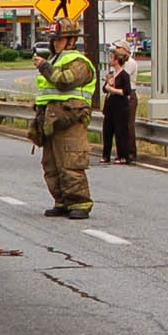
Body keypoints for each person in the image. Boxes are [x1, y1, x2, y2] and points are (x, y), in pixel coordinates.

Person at [29, 17, 97, 219]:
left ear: (71, 40)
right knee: (51, 164)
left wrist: (44, 67)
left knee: (70, 161)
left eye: (59, 39)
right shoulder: (54, 59)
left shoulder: (79, 62)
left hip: (71, 119)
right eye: (53, 39)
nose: (54, 42)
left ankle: (80, 203)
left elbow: (64, 82)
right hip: (52, 121)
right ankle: (61, 201)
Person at [101, 45, 137, 164]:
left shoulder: (124, 75)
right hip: (110, 104)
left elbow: (126, 91)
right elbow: (104, 89)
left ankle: (122, 155)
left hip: (121, 106)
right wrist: (108, 86)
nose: (110, 60)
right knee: (107, 130)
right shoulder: (111, 74)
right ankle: (105, 155)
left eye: (111, 58)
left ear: (117, 60)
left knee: (120, 131)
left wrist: (113, 90)